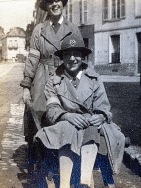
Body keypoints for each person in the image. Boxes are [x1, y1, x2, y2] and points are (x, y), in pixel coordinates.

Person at [35, 33, 125, 188]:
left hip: (90, 125)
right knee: (67, 129)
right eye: (67, 54)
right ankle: (64, 184)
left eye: (76, 54)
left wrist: (101, 116)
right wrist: (66, 115)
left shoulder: (94, 79)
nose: (72, 59)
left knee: (92, 128)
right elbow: (52, 107)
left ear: (83, 56)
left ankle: (84, 182)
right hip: (63, 124)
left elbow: (103, 104)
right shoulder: (54, 81)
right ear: (62, 58)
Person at [20, 0, 82, 171]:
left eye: (58, 0)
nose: (55, 4)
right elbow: (33, 59)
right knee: (39, 113)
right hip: (42, 77)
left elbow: (80, 59)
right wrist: (26, 86)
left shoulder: (73, 29)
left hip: (65, 75)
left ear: (63, 4)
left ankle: (65, 162)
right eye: (50, 1)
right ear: (46, 6)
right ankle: (42, 164)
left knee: (67, 115)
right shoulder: (39, 30)